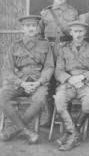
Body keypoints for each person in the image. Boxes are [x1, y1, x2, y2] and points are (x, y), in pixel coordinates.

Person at [0, 15, 54, 144]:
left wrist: (39, 82)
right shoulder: (14, 46)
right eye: (28, 26)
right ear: (23, 28)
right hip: (19, 82)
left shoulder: (45, 45)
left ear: (37, 28)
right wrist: (21, 83)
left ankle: (13, 129)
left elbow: (49, 66)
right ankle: (26, 130)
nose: (31, 28)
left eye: (33, 26)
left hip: (38, 81)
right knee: (1, 96)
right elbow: (6, 70)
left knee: (39, 100)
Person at [54, 20, 89, 151]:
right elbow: (58, 71)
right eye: (76, 31)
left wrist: (82, 77)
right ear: (71, 33)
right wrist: (70, 79)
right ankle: (73, 134)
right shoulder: (64, 50)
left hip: (86, 83)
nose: (78, 34)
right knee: (59, 101)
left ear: (85, 33)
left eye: (81, 31)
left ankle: (71, 133)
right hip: (69, 83)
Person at [39, 0, 78, 125]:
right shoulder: (45, 13)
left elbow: (76, 33)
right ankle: (49, 115)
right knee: (50, 83)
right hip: (50, 51)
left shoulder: (73, 12)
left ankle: (67, 115)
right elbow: (39, 34)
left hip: (67, 50)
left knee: (67, 81)